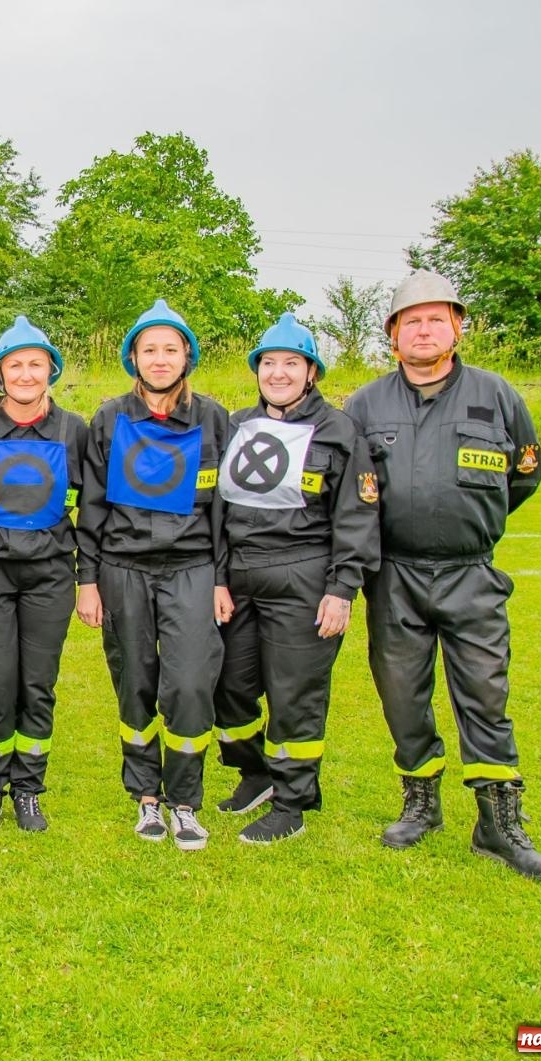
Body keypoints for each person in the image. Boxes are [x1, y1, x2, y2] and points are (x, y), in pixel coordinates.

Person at [344, 270, 541, 883]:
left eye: (435, 318)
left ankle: (499, 823)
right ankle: (420, 804)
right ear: (392, 336)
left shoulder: (497, 395)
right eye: (410, 321)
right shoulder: (365, 405)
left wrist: (469, 524)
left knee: (486, 698)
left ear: (457, 327)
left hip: (471, 575)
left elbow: (524, 475)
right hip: (394, 577)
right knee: (402, 695)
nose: (423, 329)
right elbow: (350, 492)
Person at [212, 313, 380, 843]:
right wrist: (218, 577)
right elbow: (216, 509)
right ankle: (256, 772)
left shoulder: (339, 429)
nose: (278, 372)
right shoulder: (237, 425)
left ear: (312, 372)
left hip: (305, 575)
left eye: (291, 363)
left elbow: (357, 512)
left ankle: (293, 801)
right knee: (227, 688)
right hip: (239, 576)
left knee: (294, 694)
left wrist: (341, 589)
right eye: (268, 362)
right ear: (256, 370)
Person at [75, 300, 230, 852]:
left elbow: (225, 510)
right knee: (135, 682)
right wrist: (87, 579)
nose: (160, 359)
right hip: (123, 570)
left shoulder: (214, 417)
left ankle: (185, 802)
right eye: (149, 349)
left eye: (170, 348)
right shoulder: (110, 418)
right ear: (132, 358)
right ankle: (145, 795)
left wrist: (221, 578)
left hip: (192, 569)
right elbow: (91, 504)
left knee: (189, 684)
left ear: (187, 355)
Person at [0, 316, 86, 832]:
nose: (26, 374)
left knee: (37, 682)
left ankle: (28, 787)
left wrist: (90, 576)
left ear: (50, 371)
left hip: (51, 572)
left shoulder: (75, 429)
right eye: (16, 365)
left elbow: (93, 505)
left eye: (36, 364)